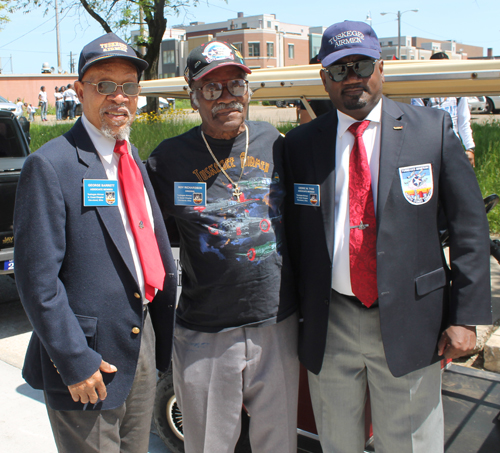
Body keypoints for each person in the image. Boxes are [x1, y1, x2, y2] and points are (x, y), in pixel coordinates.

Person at [283, 20, 491, 453]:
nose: (352, 78)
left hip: (413, 320)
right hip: (330, 322)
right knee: (338, 443)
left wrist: (465, 316)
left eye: (361, 65)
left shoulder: (429, 130)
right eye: (340, 70)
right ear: (324, 79)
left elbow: (470, 227)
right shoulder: (300, 145)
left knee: (411, 444)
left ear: (382, 68)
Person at [14, 32, 177, 453]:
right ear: (79, 90)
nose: (118, 97)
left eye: (128, 87)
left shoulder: (131, 157)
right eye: (105, 85)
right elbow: (37, 281)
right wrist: (74, 361)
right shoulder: (50, 165)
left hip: (140, 344)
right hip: (89, 361)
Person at [147, 40, 299, 453]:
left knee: (279, 443)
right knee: (209, 445)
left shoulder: (277, 144)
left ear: (247, 91)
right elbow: (146, 231)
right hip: (205, 330)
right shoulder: (168, 160)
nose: (226, 97)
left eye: (234, 85)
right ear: (193, 96)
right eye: (212, 89)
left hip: (277, 323)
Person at [411, 52, 476, 166]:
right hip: (430, 148)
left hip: (453, 146)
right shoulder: (421, 92)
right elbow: (418, 124)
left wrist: (470, 148)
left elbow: (463, 121)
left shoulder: (458, 92)